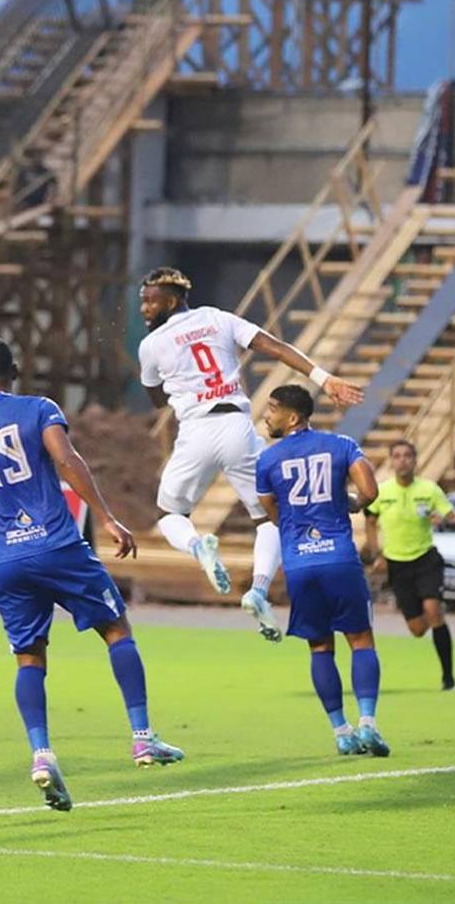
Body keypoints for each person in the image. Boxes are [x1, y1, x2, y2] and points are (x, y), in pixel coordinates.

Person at [0, 338, 183, 812]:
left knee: (29, 658)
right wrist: (107, 516)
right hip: (56, 544)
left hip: (7, 559)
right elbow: (67, 460)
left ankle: (42, 755)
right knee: (116, 629)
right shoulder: (39, 409)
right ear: (13, 369)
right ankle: (142, 737)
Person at [137, 267, 364, 642]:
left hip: (195, 430)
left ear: (172, 301)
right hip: (237, 426)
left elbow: (156, 398)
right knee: (269, 519)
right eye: (143, 300)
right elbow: (274, 346)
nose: (144, 307)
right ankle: (258, 589)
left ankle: (198, 546)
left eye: (150, 300)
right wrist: (325, 379)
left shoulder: (151, 345)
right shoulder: (217, 318)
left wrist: (177, 382)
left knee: (170, 514)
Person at [255, 385, 389, 757]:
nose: (267, 415)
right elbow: (370, 490)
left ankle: (341, 732)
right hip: (339, 559)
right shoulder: (342, 445)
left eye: (273, 409)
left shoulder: (267, 461)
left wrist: (298, 533)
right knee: (361, 640)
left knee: (319, 648)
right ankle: (368, 723)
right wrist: (352, 502)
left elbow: (272, 513)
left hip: (300, 563)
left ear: (293, 417)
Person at [361, 439, 455, 690]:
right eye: (397, 456)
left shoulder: (429, 489)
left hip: (425, 559)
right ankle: (432, 614)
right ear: (391, 461)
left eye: (407, 455)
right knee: (417, 629)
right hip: (397, 564)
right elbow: (370, 521)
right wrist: (377, 554)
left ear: (415, 460)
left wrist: (446, 520)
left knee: (433, 610)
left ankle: (448, 677)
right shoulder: (383, 492)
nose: (402, 460)